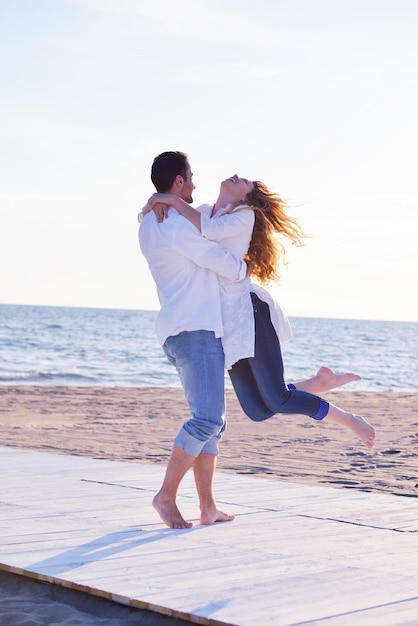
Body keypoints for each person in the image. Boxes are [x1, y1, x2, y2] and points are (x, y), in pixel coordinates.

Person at [143, 174, 376, 450]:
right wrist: (154, 201)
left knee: (277, 398)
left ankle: (348, 419)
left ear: (245, 196)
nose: (236, 176)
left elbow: (207, 229)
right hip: (225, 325)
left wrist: (167, 199)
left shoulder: (243, 215)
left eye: (244, 182)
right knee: (256, 409)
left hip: (249, 313)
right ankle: (319, 382)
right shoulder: (204, 211)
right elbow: (181, 221)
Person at [139, 152, 250, 530]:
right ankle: (166, 495)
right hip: (195, 330)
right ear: (179, 181)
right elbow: (215, 257)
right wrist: (243, 268)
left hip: (179, 330)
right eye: (191, 176)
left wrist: (161, 199)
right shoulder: (173, 224)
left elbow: (204, 216)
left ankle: (207, 508)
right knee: (206, 419)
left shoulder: (152, 220)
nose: (196, 183)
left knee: (211, 422)